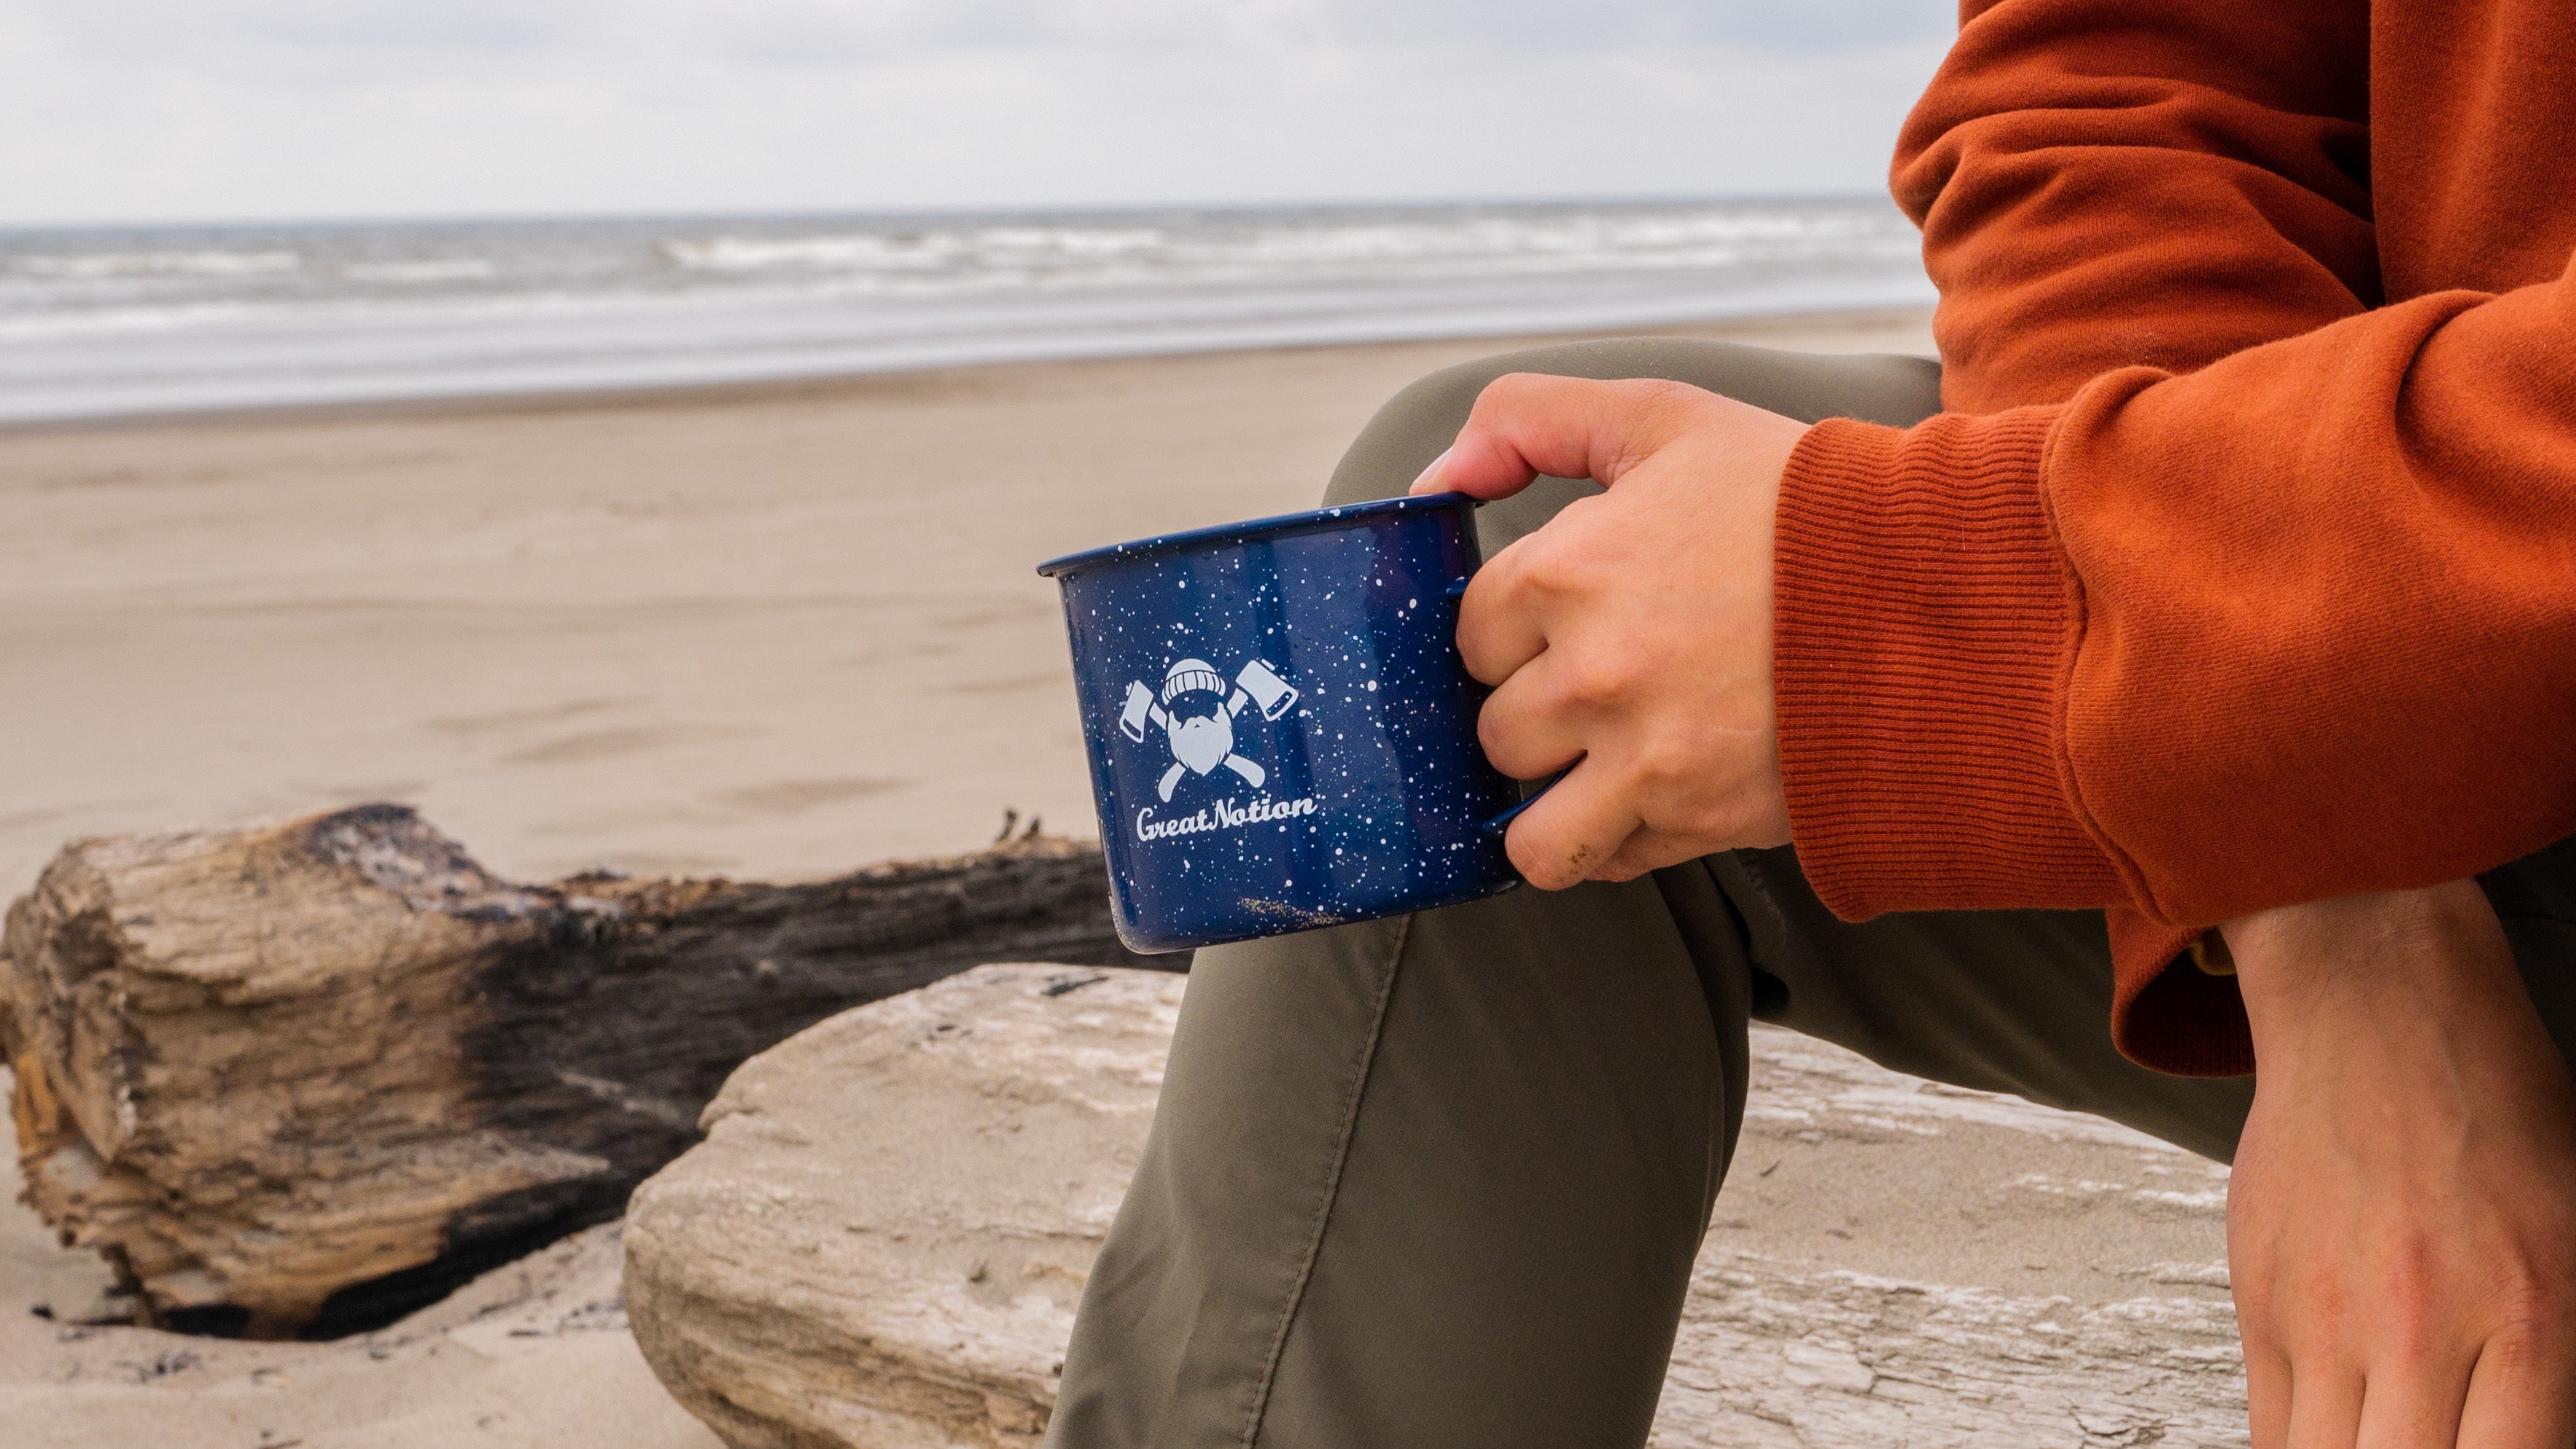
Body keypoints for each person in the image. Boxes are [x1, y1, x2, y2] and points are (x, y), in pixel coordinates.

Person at [1043, 0, 2576, 1442]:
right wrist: (2330, 898)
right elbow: (2119, 93)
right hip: (2458, 688)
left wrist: (1940, 610)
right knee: (1516, 612)